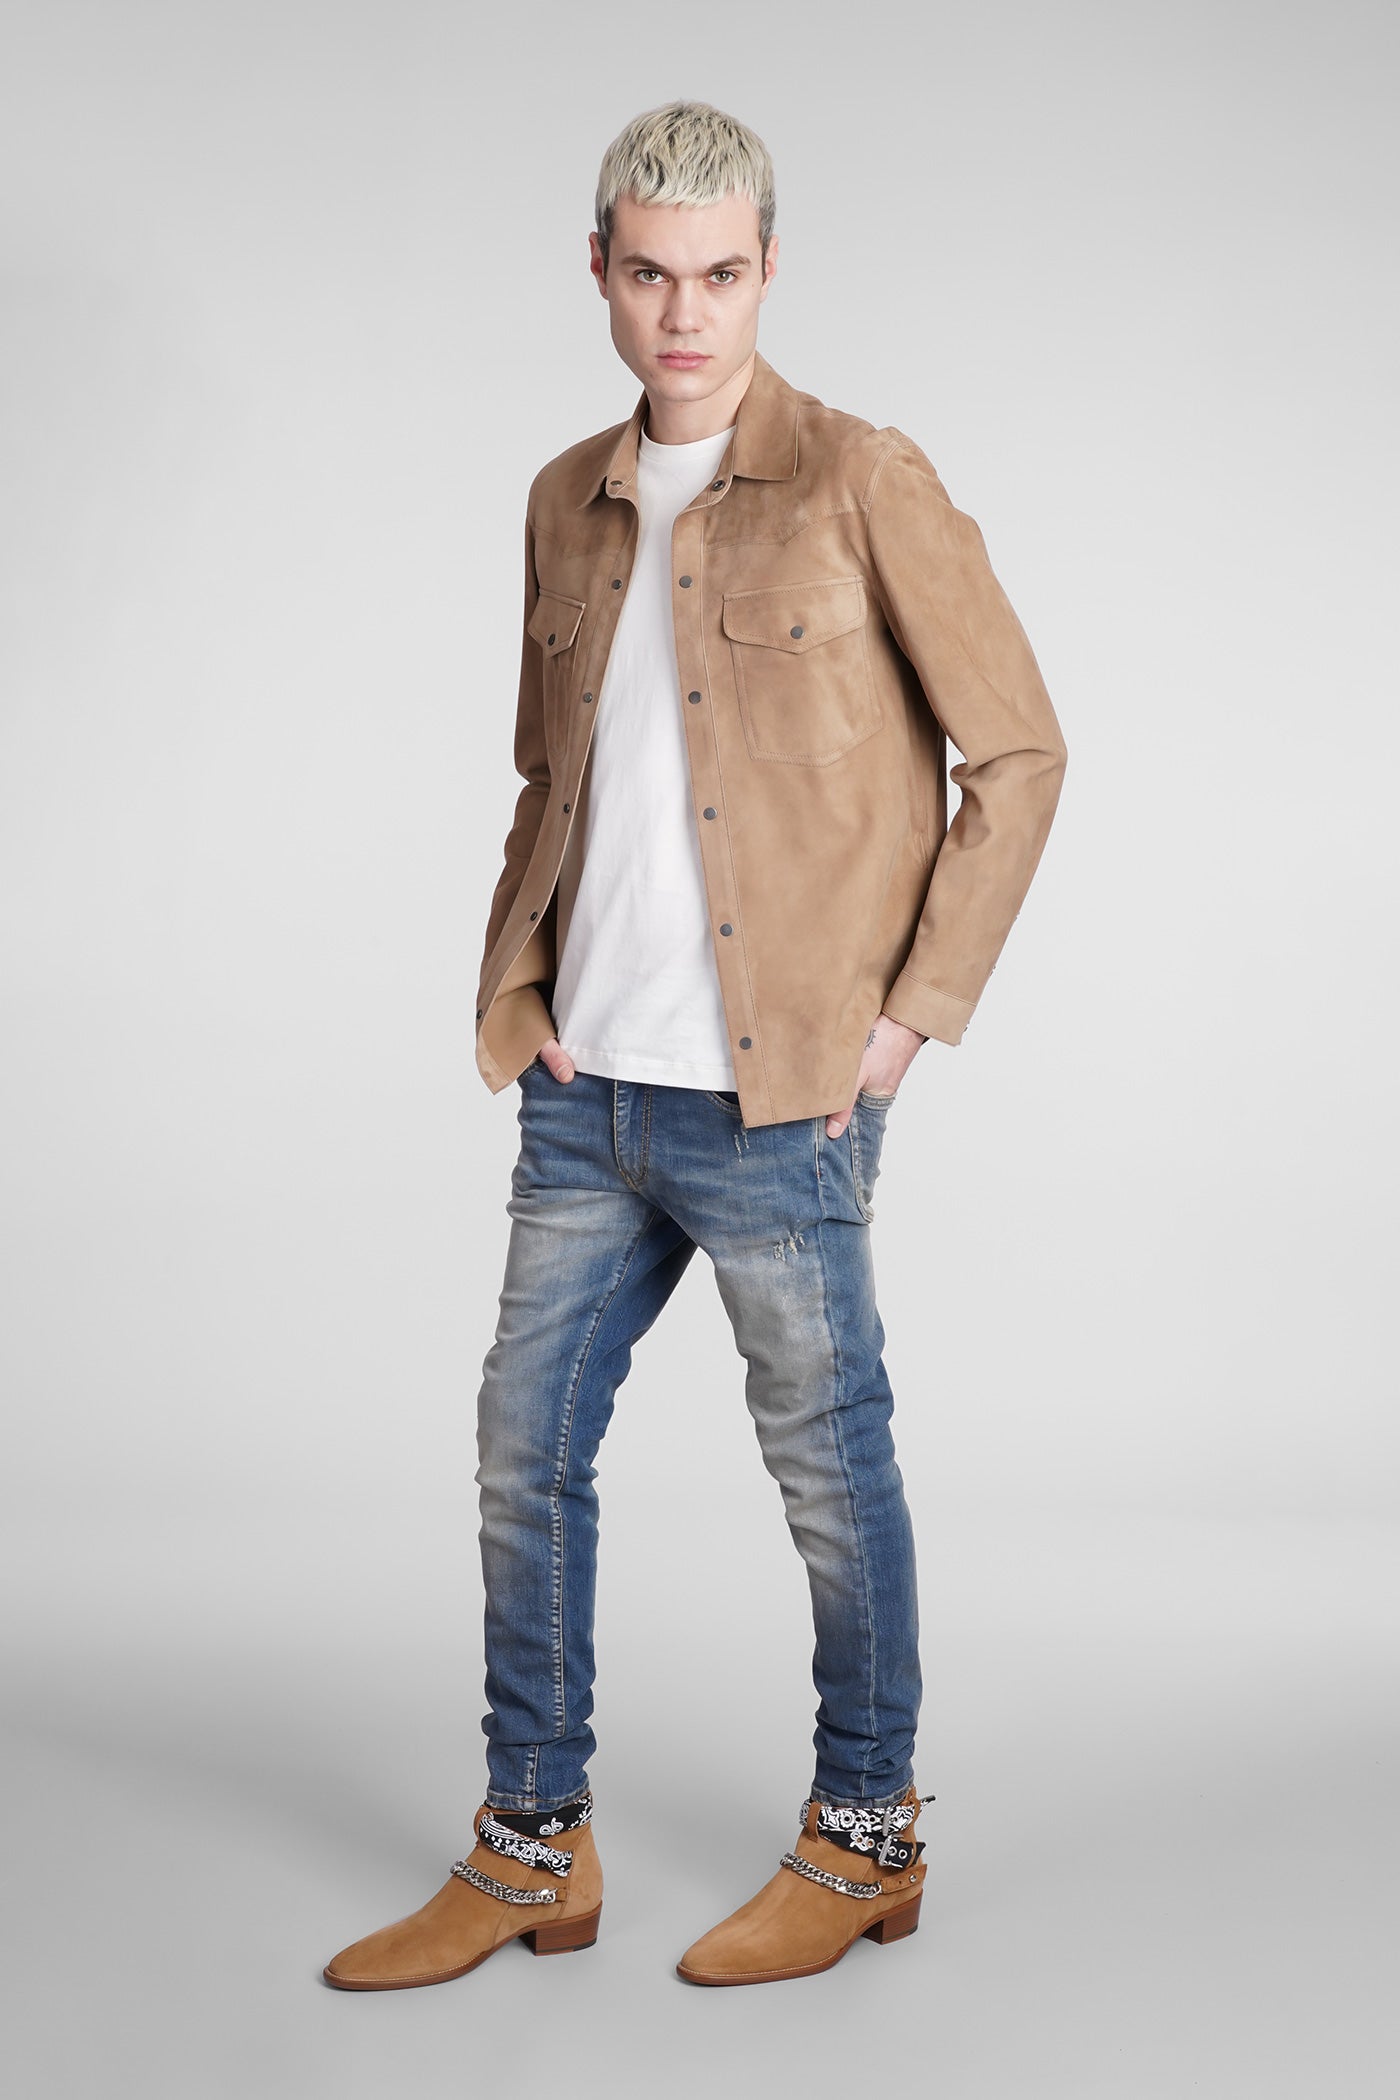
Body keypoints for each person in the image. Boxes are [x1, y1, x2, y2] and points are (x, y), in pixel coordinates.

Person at [324, 98, 1067, 1993]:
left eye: (721, 274)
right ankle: (531, 1849)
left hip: (782, 1097)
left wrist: (909, 1019)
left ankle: (870, 1835)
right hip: (589, 1094)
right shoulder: (561, 496)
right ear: (599, 271)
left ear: (768, 271)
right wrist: (518, 994)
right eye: (650, 275)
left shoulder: (861, 477)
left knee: (827, 1466)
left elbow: (1020, 753)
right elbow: (548, 777)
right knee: (521, 1452)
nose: (685, 314)